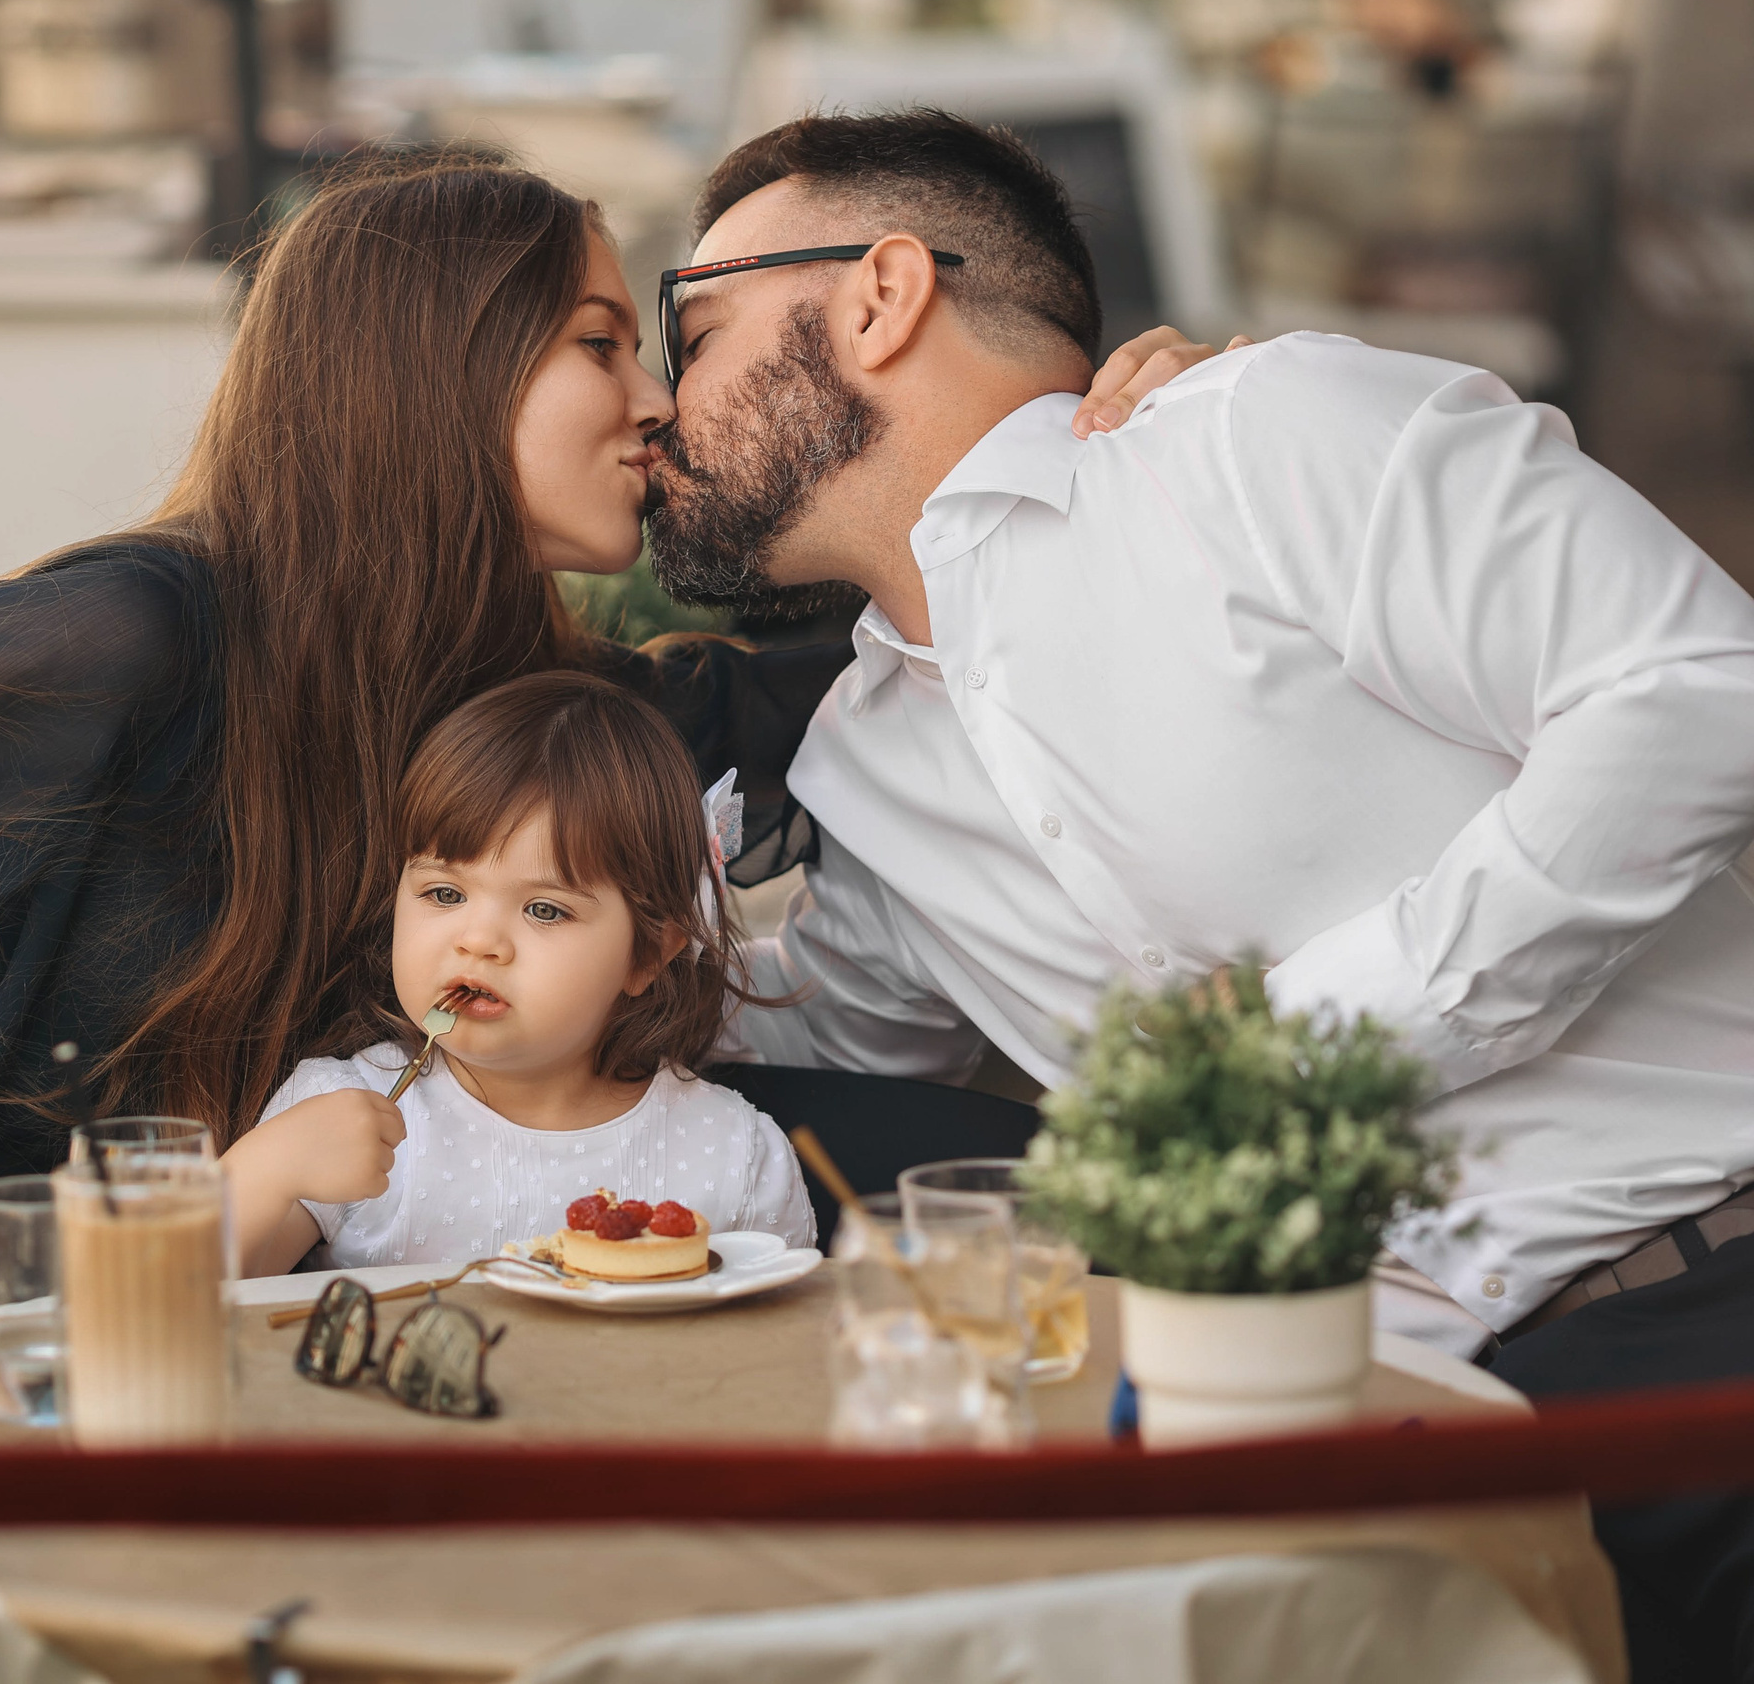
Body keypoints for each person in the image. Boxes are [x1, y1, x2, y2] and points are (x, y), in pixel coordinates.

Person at [0, 144, 1228, 1683]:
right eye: (604, 339)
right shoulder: (133, 632)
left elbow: (924, 611)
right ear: (440, 372)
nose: (653, 399)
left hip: (22, 1417)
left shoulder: (541, 716)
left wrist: (1101, 435)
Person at [651, 110, 1754, 1681]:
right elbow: (743, 1054)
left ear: (881, 295)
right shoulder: (865, 777)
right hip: (1370, 1462)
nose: (655, 398)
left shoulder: (1255, 440)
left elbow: (1701, 690)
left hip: (1716, 1298)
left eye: (692, 329)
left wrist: (1307, 1047)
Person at [224, 671, 812, 1276]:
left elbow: (785, 1347)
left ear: (648, 956)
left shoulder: (734, 1155)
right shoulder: (339, 1110)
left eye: (544, 909)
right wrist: (263, 1173)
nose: (478, 941)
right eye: (445, 893)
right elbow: (180, 1311)